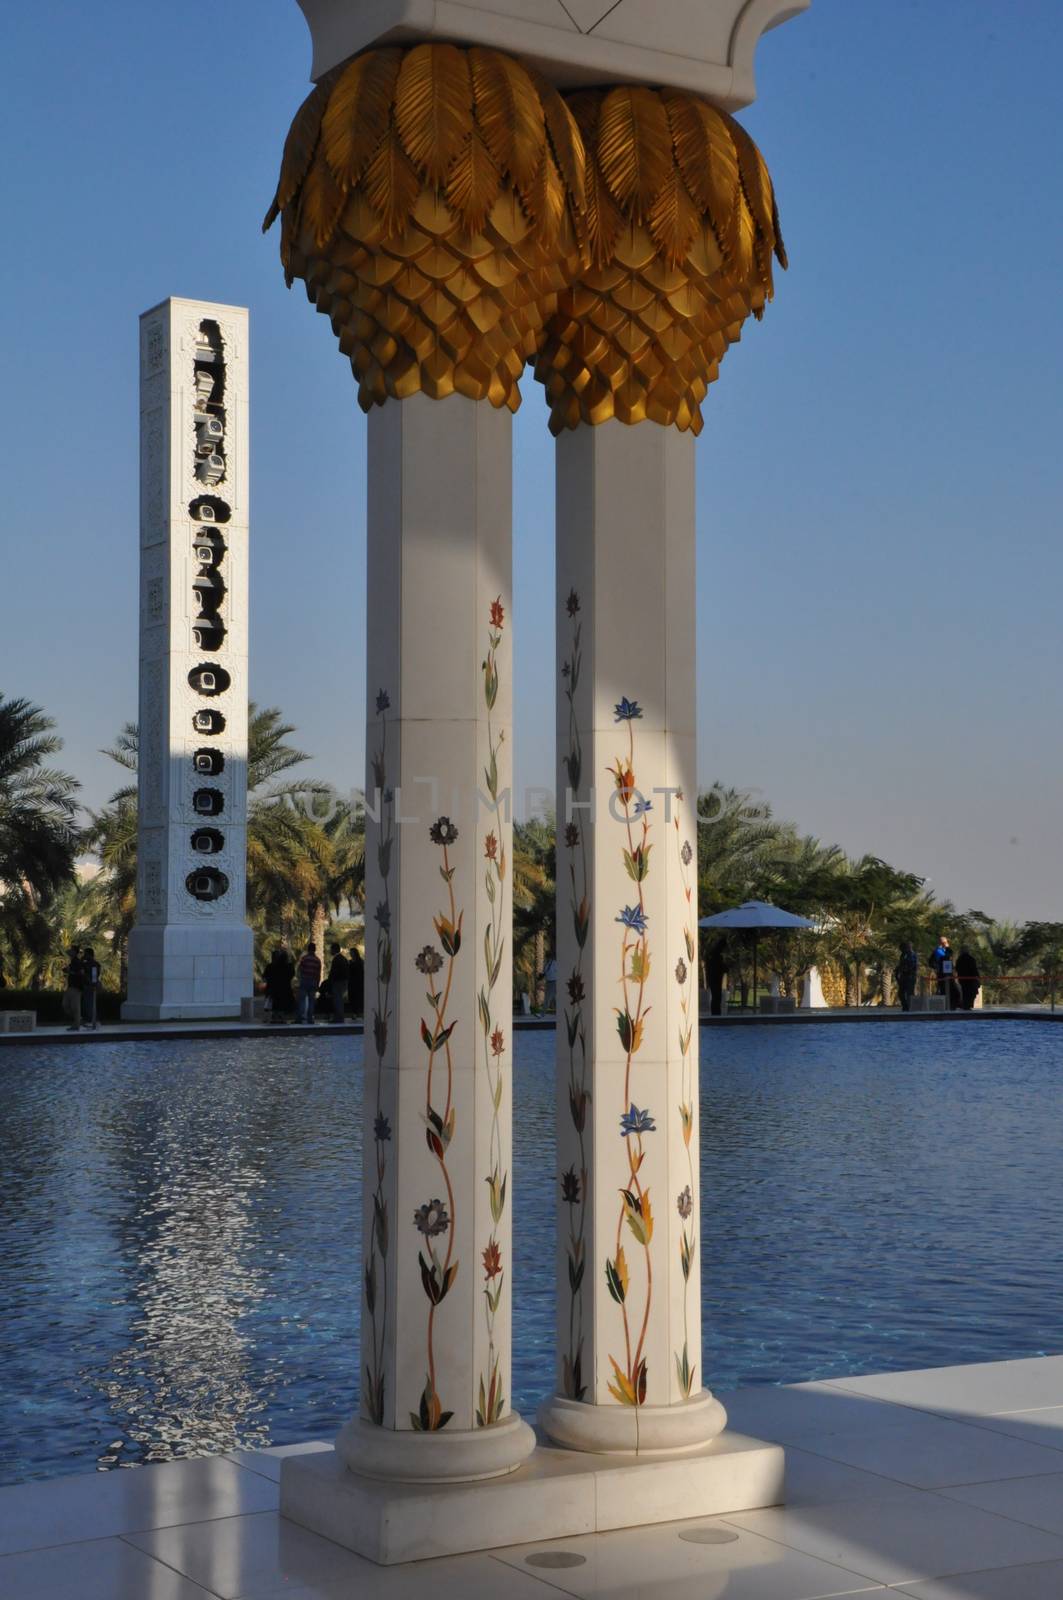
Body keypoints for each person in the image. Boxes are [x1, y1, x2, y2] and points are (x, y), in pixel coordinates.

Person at [264, 946, 295, 1023]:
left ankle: (275, 1017)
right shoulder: (288, 966)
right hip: (284, 989)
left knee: (276, 1003)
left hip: (274, 988)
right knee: (282, 1003)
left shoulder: (273, 966)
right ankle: (281, 1017)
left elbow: (266, 976)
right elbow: (291, 975)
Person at [929, 936, 959, 1009]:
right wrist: (947, 948)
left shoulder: (946, 950)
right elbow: (946, 957)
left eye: (946, 942)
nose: (946, 944)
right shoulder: (938, 951)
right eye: (944, 943)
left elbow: (950, 957)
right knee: (945, 990)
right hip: (943, 974)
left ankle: (953, 1005)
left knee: (954, 991)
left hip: (949, 973)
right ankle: (947, 1006)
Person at [296, 941, 322, 1024]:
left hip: (304, 981)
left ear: (308, 949)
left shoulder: (304, 958)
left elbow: (299, 969)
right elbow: (318, 974)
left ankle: (300, 1018)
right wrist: (317, 984)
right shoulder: (317, 960)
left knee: (302, 1000)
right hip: (313, 982)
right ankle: (310, 1019)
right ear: (314, 950)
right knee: (311, 1001)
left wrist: (300, 979)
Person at [64, 946, 84, 1031]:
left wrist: (70, 972)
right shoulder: (72, 962)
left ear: (75, 952)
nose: (69, 952)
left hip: (76, 987)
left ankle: (76, 1025)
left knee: (75, 1007)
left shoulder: (77, 962)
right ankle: (78, 1019)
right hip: (70, 986)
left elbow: (80, 973)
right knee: (65, 1005)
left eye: (71, 951)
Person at [328, 943, 349, 1023]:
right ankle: (340, 1017)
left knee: (337, 1000)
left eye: (331, 949)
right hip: (343, 981)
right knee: (339, 999)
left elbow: (334, 972)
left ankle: (338, 1018)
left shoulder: (337, 959)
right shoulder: (343, 958)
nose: (330, 951)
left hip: (338, 982)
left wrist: (330, 981)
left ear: (334, 949)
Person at [895, 941, 919, 1013]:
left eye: (902, 948)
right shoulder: (903, 954)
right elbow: (902, 964)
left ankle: (911, 1007)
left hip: (910, 976)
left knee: (909, 992)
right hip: (903, 976)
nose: (901, 950)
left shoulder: (912, 954)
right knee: (901, 993)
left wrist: (904, 969)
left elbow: (912, 965)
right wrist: (898, 969)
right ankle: (905, 1006)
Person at [81, 947, 101, 1030]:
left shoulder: (93, 964)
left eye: (85, 954)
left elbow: (94, 975)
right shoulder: (87, 963)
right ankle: (90, 1020)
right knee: (86, 1003)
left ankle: (93, 1021)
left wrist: (93, 983)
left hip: (89, 986)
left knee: (89, 1003)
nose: (84, 955)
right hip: (87, 985)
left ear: (89, 954)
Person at [706, 943, 726, 1017]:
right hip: (715, 980)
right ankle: (716, 1014)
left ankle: (716, 1013)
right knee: (716, 997)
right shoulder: (716, 958)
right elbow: (722, 968)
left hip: (715, 980)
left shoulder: (713, 958)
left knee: (716, 997)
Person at [346, 945, 365, 1018]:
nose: (351, 954)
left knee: (359, 997)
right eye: (350, 953)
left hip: (359, 982)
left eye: (352, 953)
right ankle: (354, 1012)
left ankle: (359, 1012)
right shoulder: (350, 962)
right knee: (352, 997)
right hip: (352, 983)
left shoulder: (360, 962)